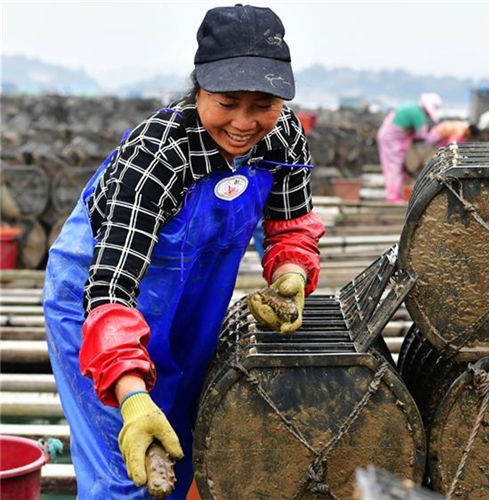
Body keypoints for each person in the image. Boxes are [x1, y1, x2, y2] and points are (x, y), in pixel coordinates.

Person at [42, 6, 325, 498]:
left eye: (262, 103)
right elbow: (109, 288)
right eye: (227, 102)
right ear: (199, 90)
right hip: (97, 307)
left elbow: (290, 228)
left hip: (191, 305)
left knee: (185, 449)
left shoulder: (283, 137)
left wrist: (292, 275)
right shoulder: (159, 154)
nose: (243, 122)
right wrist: (130, 397)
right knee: (130, 466)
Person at [376, 93, 442, 203]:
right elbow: (422, 136)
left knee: (396, 167)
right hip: (391, 139)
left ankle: (396, 194)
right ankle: (393, 197)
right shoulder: (418, 115)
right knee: (394, 167)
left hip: (394, 138)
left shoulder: (414, 108)